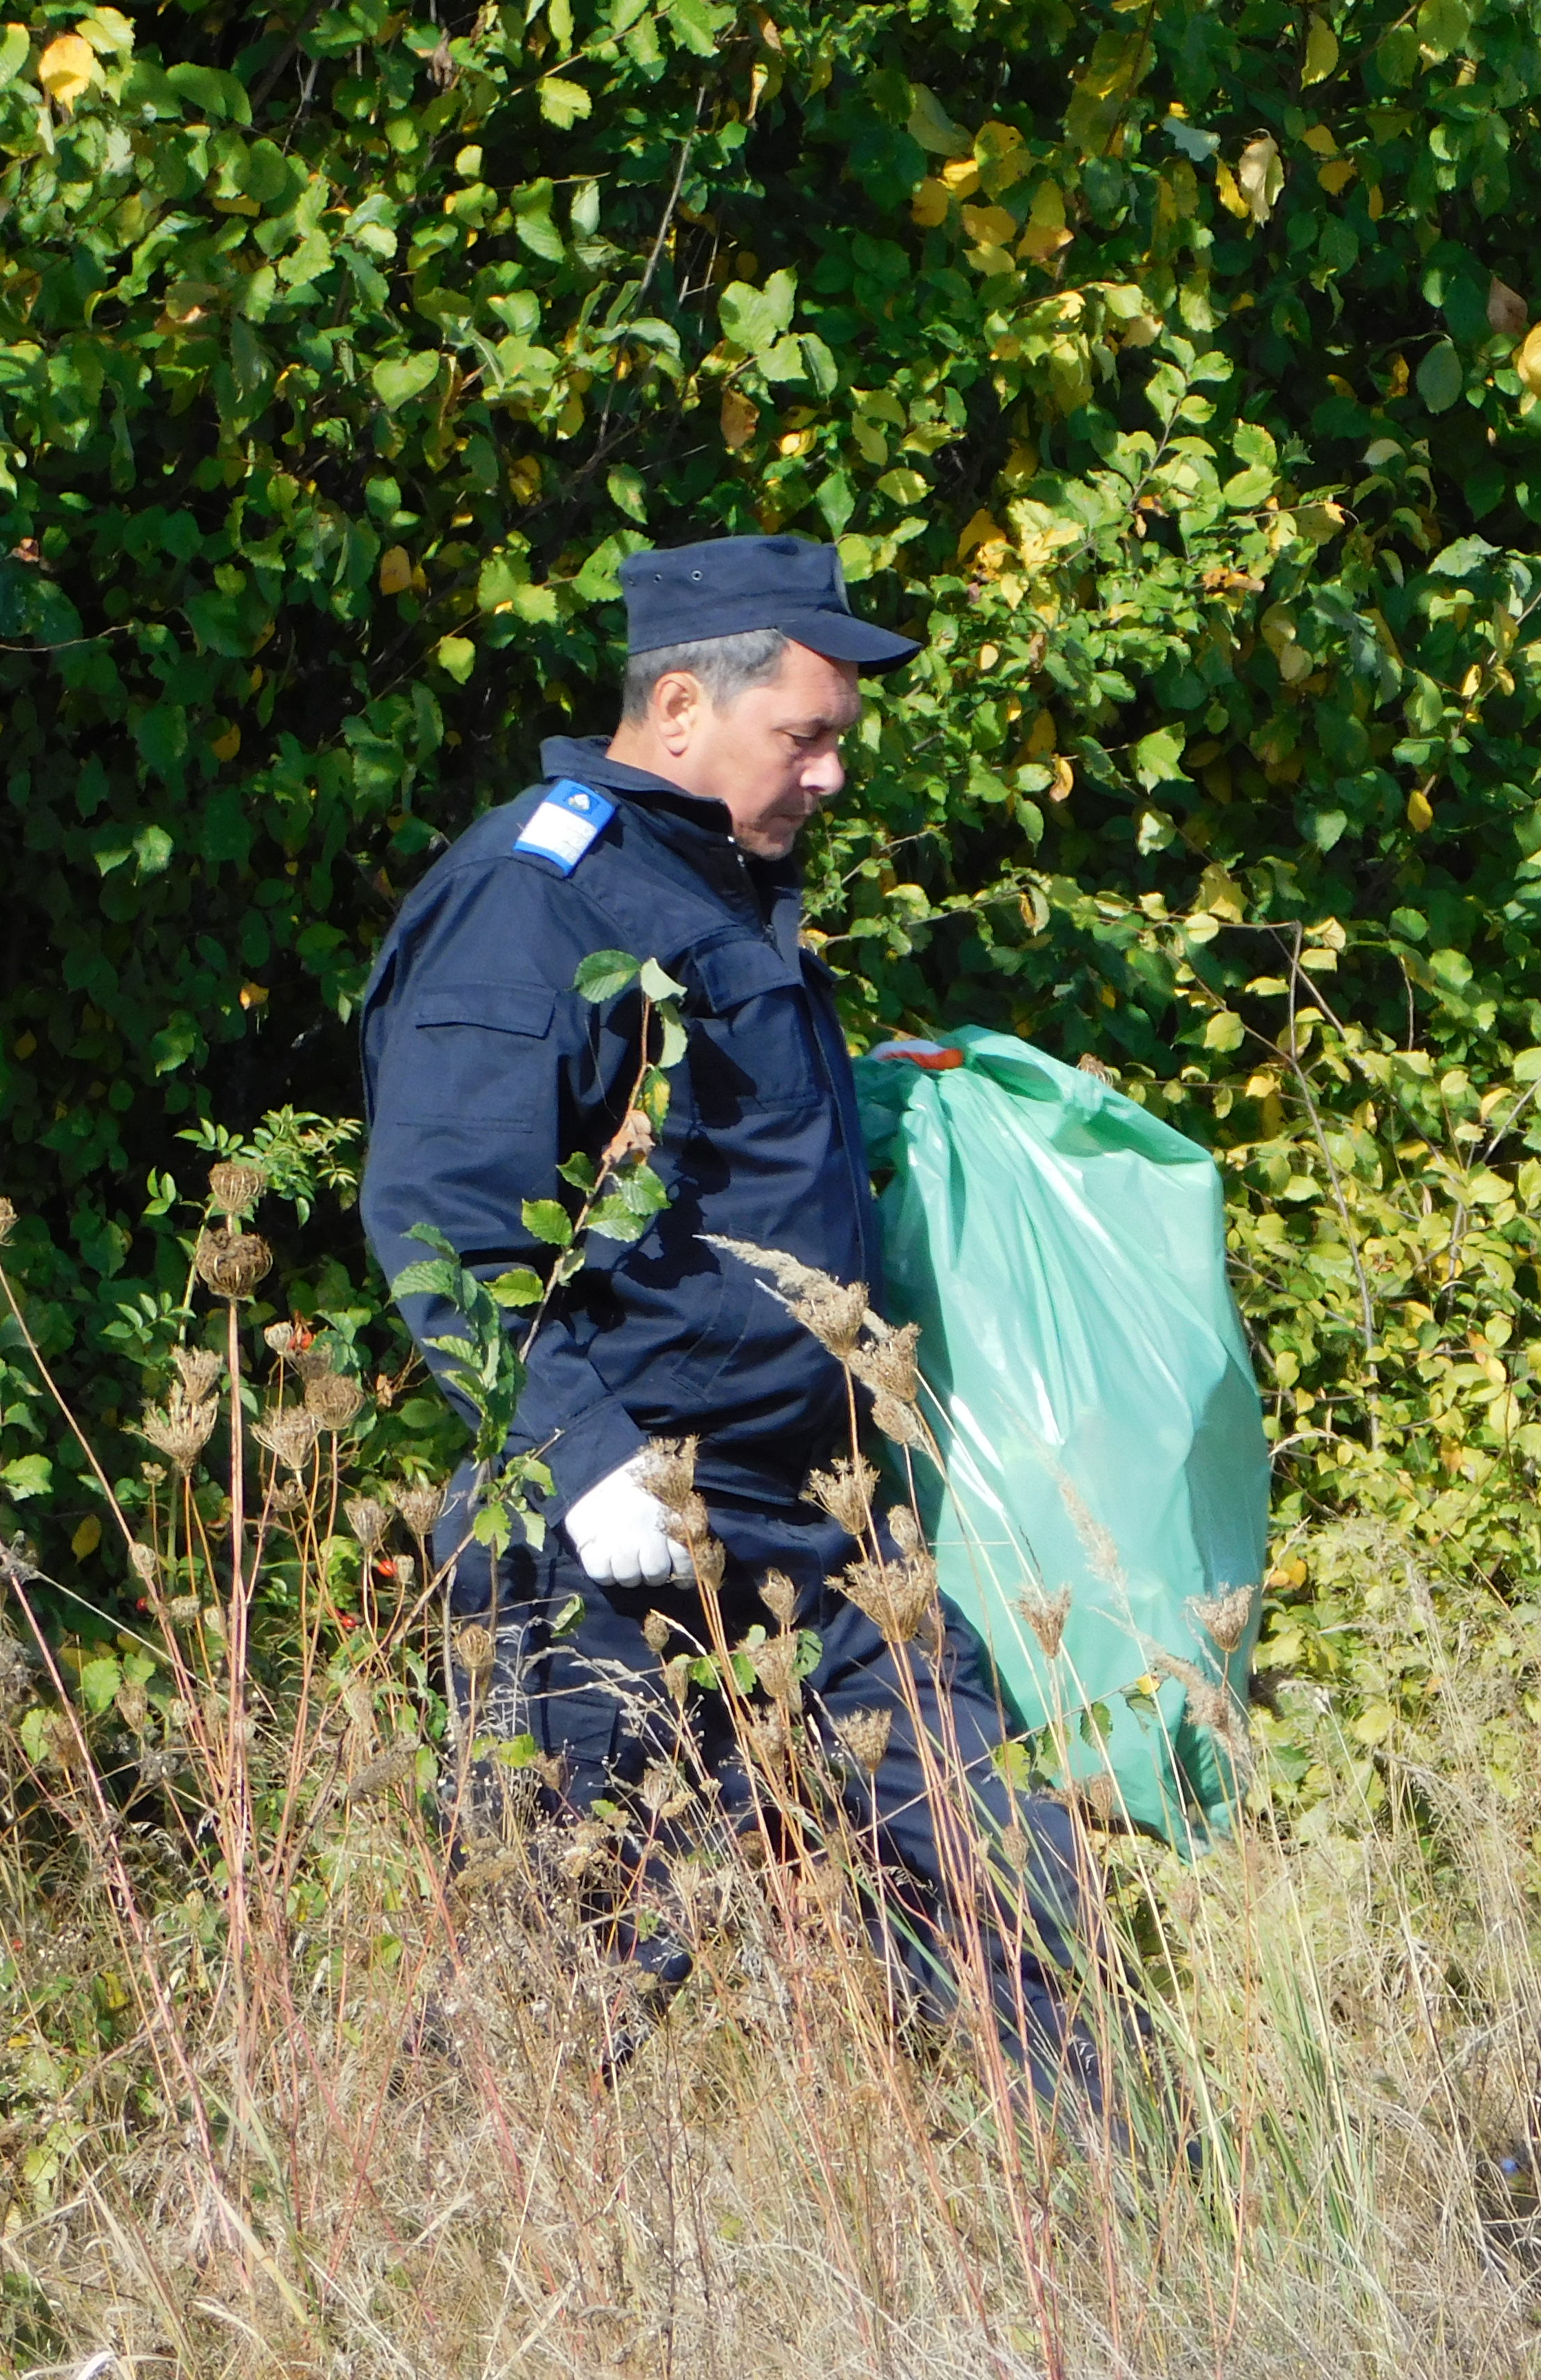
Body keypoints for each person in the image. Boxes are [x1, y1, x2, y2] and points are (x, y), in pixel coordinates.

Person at [358, 534, 1103, 2112]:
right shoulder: (531, 898)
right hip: (620, 1542)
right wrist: (586, 1458)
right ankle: (431, 2241)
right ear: (684, 706)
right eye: (805, 737)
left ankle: (1138, 2228)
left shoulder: (718, 882)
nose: (830, 775)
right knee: (556, 1979)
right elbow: (440, 1213)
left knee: (1014, 1898)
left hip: (825, 1526)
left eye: (839, 742)